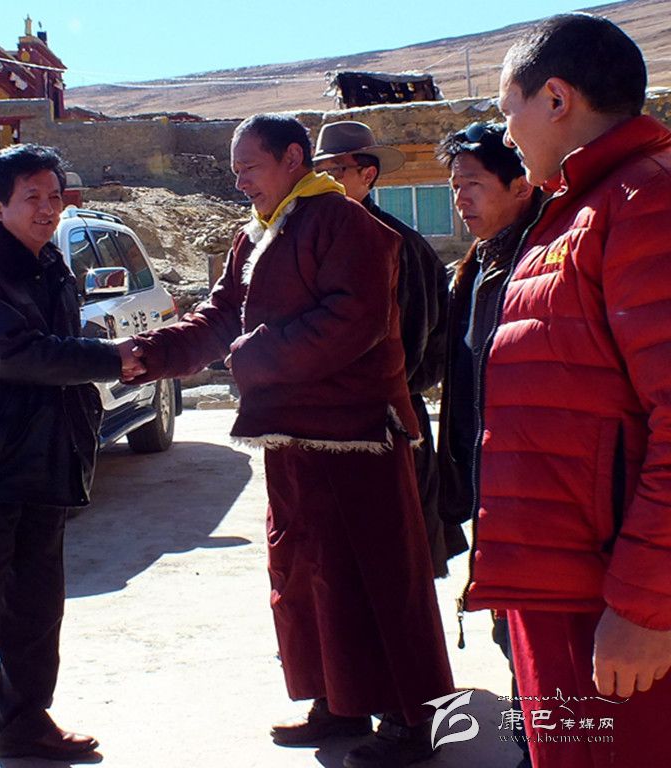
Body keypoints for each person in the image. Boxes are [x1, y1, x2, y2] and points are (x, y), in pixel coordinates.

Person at [129, 114, 453, 768]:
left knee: (380, 577)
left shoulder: (348, 225)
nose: (240, 181)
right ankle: (340, 702)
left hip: (357, 435)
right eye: (236, 170)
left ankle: (412, 720)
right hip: (290, 436)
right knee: (308, 573)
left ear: (293, 158)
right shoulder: (255, 234)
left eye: (249, 167)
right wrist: (154, 353)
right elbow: (222, 314)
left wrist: (252, 358)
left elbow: (353, 320)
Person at [465, 14, 671, 768]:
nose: (505, 130)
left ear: (556, 98)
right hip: (561, 588)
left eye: (507, 107)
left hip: (616, 606)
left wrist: (646, 606)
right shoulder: (576, 209)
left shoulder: (646, 202)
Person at [0, 144, 142, 768]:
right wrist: (110, 359)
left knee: (36, 610)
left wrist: (122, 354)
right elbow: (14, 353)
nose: (48, 209)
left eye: (54, 196)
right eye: (32, 198)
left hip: (46, 457)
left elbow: (62, 340)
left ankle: (25, 726)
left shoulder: (50, 262)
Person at [436, 121, 542, 768]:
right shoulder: (478, 265)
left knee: (541, 630)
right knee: (509, 626)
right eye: (454, 187)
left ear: (520, 184)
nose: (460, 200)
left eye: (472, 184)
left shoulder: (545, 258)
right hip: (488, 483)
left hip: (538, 487)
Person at [312, 121, 459, 578]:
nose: (326, 182)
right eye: (319, 172)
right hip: (328, 426)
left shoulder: (400, 246)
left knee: (396, 565)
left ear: (367, 174)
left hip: (390, 425)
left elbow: (418, 349)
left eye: (337, 171)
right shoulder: (312, 240)